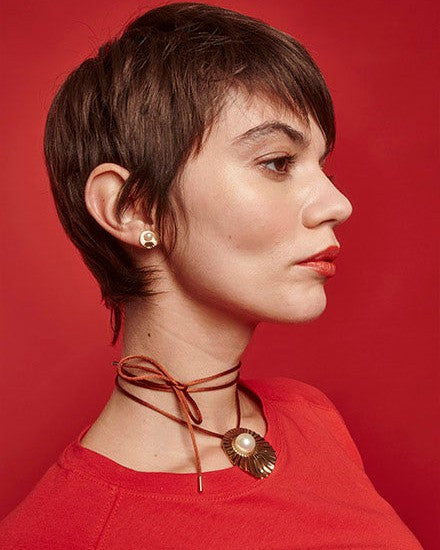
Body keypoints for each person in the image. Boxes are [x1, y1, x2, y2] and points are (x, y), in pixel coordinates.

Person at [0, 2, 423, 548]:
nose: (338, 204)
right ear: (134, 209)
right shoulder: (66, 533)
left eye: (322, 165)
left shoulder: (311, 417)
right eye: (277, 163)